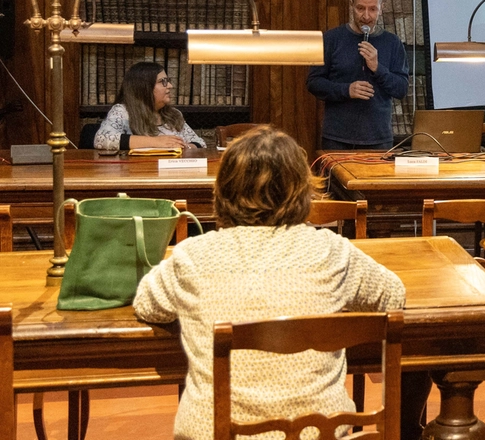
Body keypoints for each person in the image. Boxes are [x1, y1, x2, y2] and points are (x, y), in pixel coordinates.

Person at [134, 126, 406, 440]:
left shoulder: (193, 257)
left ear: (224, 189)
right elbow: (393, 296)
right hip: (318, 434)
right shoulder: (332, 252)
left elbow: (147, 305)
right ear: (302, 189)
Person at [306, 0, 409, 150]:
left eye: (373, 9)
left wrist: (378, 68)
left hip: (378, 139)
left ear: (381, 9)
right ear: (351, 6)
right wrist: (346, 90)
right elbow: (313, 83)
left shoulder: (392, 42)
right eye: (360, 8)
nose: (366, 16)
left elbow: (401, 89)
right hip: (337, 138)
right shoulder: (332, 39)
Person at [94, 61, 205, 152]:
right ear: (144, 87)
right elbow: (102, 140)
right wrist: (157, 142)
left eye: (168, 81)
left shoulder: (174, 114)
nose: (170, 86)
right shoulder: (122, 111)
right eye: (163, 82)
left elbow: (200, 143)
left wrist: (186, 147)